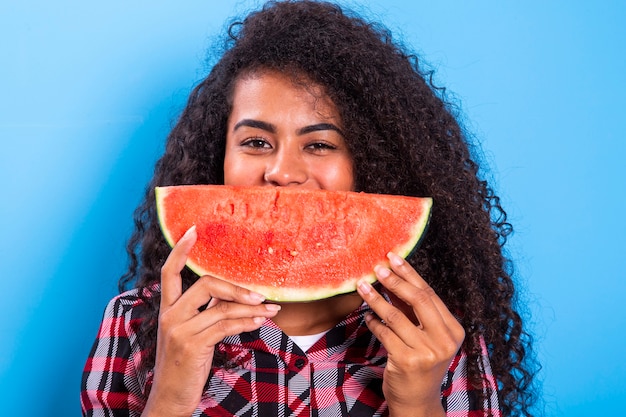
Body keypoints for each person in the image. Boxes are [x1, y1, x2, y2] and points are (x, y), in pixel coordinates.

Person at [81, 1, 538, 416]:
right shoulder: (138, 324)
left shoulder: (434, 335)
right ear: (216, 155)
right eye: (256, 142)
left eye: (319, 144)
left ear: (372, 163)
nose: (282, 172)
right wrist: (173, 395)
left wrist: (418, 401)